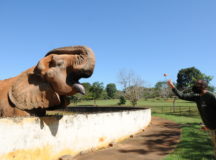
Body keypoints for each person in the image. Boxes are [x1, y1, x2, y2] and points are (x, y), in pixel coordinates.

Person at [167, 79, 216, 156]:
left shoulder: (211, 96)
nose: (195, 86)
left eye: (197, 85)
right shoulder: (197, 97)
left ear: (203, 86)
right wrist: (172, 86)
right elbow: (181, 95)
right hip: (212, 128)